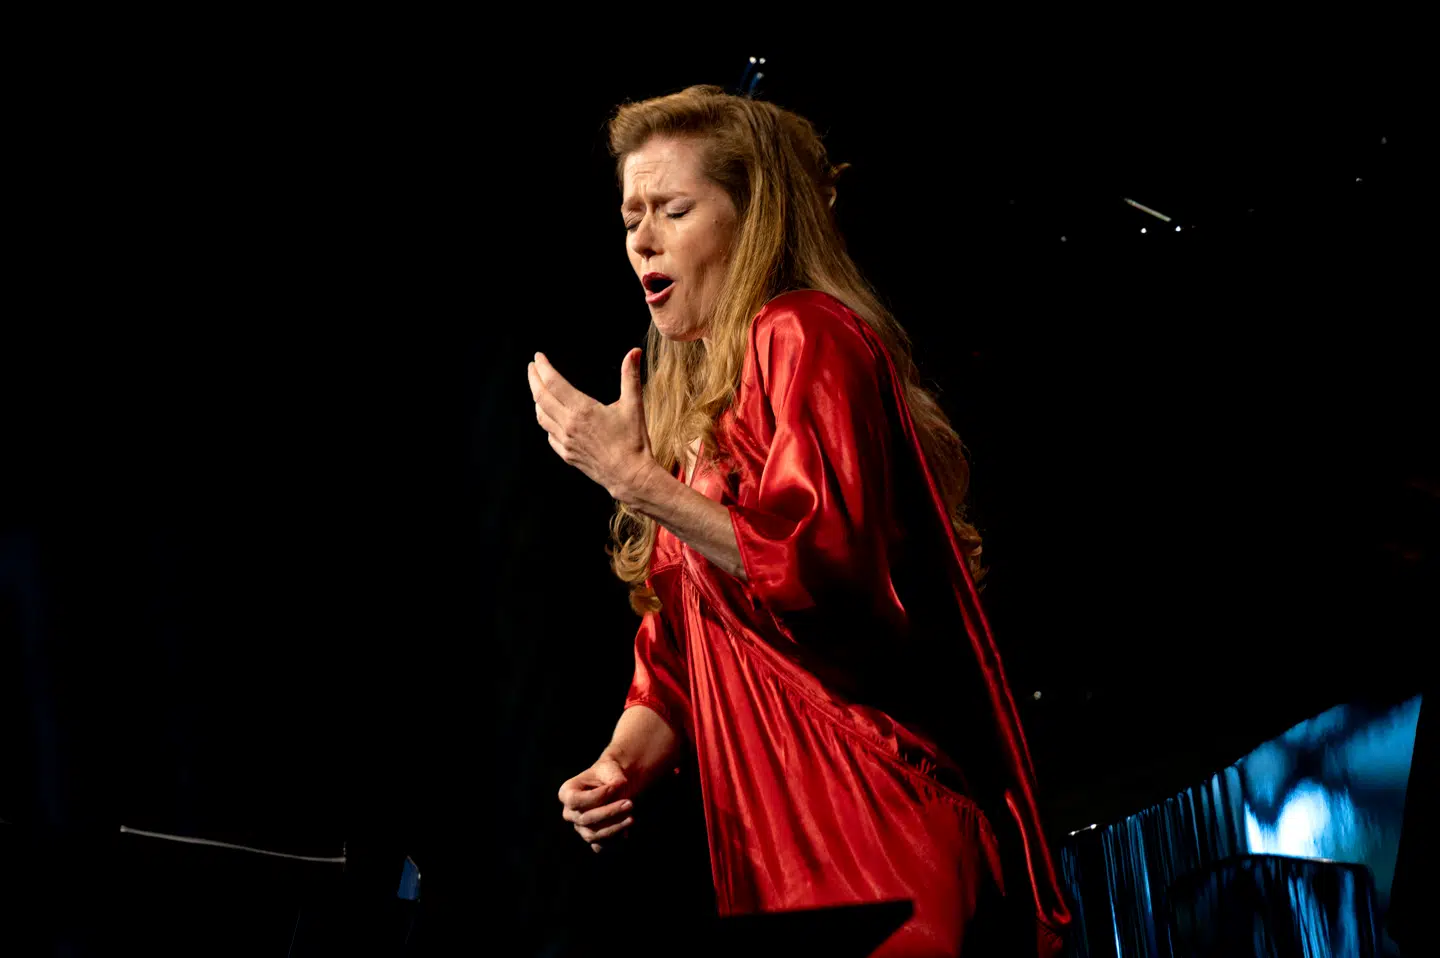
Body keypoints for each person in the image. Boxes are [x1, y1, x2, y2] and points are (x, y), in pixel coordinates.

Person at [528, 85, 1070, 957]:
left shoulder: (806, 332)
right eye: (632, 214)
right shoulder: (702, 427)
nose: (641, 238)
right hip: (778, 858)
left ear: (752, 221)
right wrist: (617, 766)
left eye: (673, 208)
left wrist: (633, 479)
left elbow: (817, 559)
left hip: (879, 825)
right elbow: (677, 660)